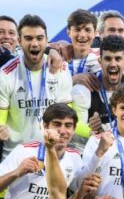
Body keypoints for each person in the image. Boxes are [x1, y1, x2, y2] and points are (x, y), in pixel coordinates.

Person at [0, 104, 82, 199]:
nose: (63, 131)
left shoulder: (75, 159)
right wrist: (16, 173)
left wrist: (82, 192)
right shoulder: (23, 151)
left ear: (74, 129)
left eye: (68, 125)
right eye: (57, 124)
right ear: (45, 126)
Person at [0, 14, 73, 159]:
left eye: (39, 38)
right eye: (28, 38)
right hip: (15, 157)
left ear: (47, 41)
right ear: (20, 41)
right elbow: (1, 119)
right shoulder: (5, 74)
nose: (34, 43)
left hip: (50, 154)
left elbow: (67, 116)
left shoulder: (62, 70)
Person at [72, 35, 124, 144]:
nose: (113, 64)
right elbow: (74, 134)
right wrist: (90, 130)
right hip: (91, 152)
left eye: (118, 59)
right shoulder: (83, 90)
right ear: (99, 61)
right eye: (107, 59)